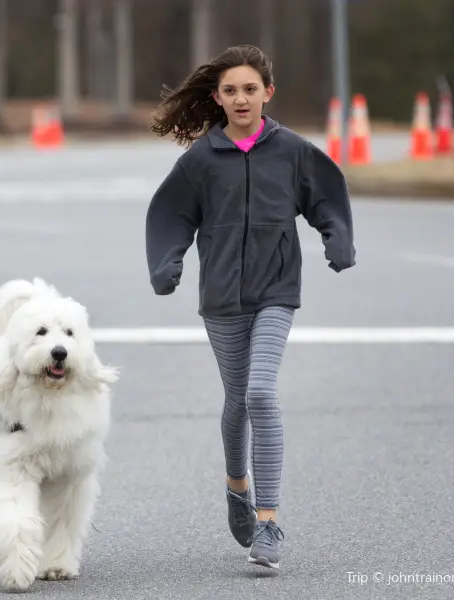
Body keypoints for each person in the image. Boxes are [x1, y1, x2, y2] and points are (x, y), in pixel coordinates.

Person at [144, 45, 355, 569]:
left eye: (250, 89)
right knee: (237, 399)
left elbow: (325, 195)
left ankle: (268, 523)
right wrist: (167, 263)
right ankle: (236, 484)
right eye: (231, 91)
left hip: (276, 291)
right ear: (218, 97)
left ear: (268, 93)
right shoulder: (200, 160)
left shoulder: (292, 151)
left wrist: (337, 237)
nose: (241, 99)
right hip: (220, 299)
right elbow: (171, 214)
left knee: (261, 390)